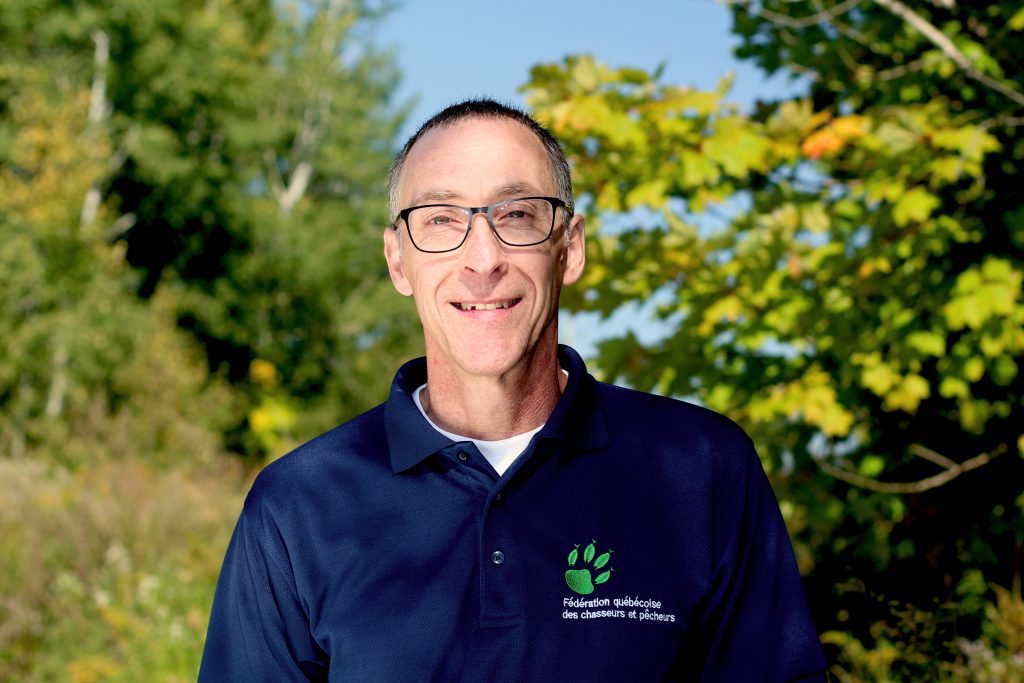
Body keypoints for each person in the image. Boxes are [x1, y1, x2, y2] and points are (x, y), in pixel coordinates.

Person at [198, 99, 828, 682]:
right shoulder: (298, 503)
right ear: (398, 261)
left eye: (517, 215)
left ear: (570, 248)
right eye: (440, 220)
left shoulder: (699, 468)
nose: (483, 259)